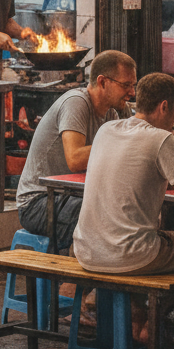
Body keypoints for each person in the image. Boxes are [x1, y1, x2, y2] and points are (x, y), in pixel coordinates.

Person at [73, 72, 174, 277]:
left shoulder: (106, 130)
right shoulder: (161, 138)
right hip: (131, 255)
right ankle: (150, 309)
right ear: (164, 106)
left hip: (86, 251)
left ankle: (133, 305)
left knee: (163, 234)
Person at [17, 50, 138, 249]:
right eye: (126, 85)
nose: (132, 92)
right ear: (103, 82)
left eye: (133, 85)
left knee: (130, 209)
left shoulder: (111, 113)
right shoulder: (76, 102)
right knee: (103, 216)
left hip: (72, 196)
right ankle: (73, 280)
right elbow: (75, 160)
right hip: (38, 202)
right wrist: (119, 141)